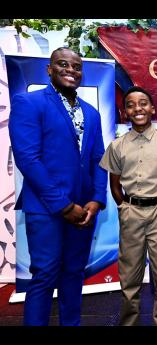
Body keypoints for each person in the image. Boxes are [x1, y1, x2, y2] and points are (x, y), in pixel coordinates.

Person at [8, 47, 107, 326]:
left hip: (84, 211)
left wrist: (96, 201)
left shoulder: (91, 113)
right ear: (49, 69)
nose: (70, 70)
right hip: (47, 208)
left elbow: (99, 159)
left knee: (74, 274)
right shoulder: (29, 102)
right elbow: (28, 159)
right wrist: (64, 205)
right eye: (63, 65)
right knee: (45, 276)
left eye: (76, 67)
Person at [99, 86, 157, 326]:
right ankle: (129, 323)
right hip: (131, 213)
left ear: (153, 108)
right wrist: (124, 207)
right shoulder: (117, 146)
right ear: (125, 112)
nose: (138, 108)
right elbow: (114, 184)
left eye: (143, 103)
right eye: (131, 104)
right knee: (129, 277)